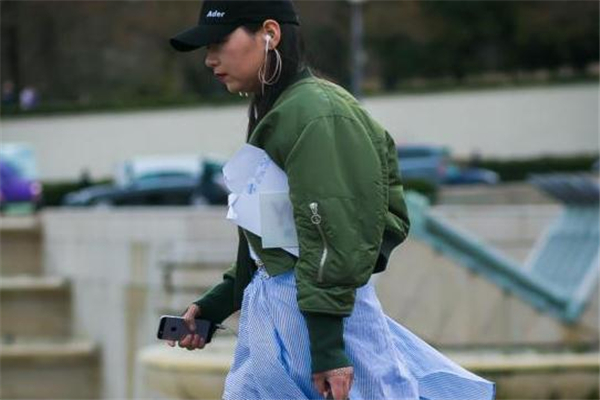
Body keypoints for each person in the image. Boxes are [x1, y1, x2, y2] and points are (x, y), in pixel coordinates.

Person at [167, 1, 496, 400]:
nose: (209, 59)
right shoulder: (285, 110)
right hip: (286, 315)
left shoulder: (316, 114)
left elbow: (333, 238)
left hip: (320, 321)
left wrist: (328, 349)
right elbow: (276, 241)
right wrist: (215, 306)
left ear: (270, 33)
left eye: (219, 41)